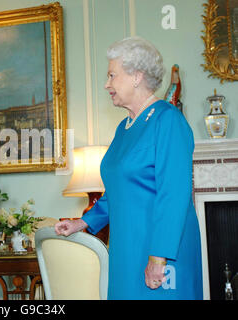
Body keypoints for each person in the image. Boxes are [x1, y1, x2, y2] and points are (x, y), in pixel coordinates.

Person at [55, 36, 202, 300]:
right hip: (126, 249)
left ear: (137, 76)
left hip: (161, 250)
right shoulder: (124, 128)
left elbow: (174, 196)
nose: (106, 84)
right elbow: (117, 192)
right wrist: (84, 222)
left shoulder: (168, 120)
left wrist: (159, 256)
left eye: (112, 75)